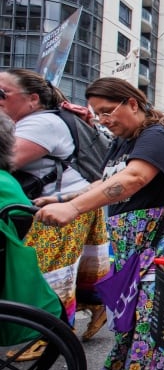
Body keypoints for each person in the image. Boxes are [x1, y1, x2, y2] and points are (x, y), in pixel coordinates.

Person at [35, 77, 164, 370]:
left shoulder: (158, 135)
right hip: (139, 240)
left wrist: (71, 210)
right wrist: (61, 198)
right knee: (133, 307)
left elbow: (133, 179)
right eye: (97, 114)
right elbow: (105, 182)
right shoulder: (123, 141)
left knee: (150, 309)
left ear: (133, 103)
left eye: (107, 111)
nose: (102, 119)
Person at [0, 69, 109, 351]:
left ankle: (49, 334)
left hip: (61, 207)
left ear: (32, 99)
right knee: (67, 269)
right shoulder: (35, 121)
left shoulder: (41, 124)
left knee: (48, 270)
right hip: (65, 202)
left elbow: (6, 160)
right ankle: (90, 309)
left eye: (3, 94)